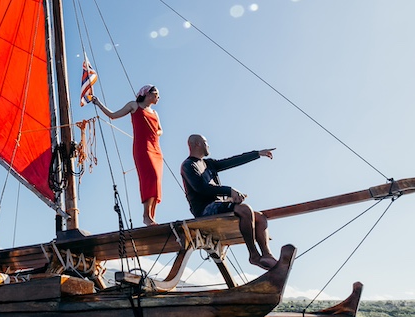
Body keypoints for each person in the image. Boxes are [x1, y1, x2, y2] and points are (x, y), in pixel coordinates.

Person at [180, 134, 277, 269]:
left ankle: (267, 256)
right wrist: (229, 191)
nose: (208, 145)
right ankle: (254, 255)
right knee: (245, 209)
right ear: (197, 144)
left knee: (260, 217)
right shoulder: (188, 165)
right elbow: (201, 188)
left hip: (218, 206)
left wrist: (257, 154)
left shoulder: (208, 164)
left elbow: (232, 161)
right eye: (205, 142)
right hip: (204, 210)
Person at [92, 84, 164, 225]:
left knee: (156, 181)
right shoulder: (134, 106)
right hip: (143, 148)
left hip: (156, 149)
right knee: (150, 177)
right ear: (148, 94)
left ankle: (151, 217)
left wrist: (156, 132)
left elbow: (160, 130)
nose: (158, 97)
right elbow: (113, 115)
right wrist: (98, 103)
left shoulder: (155, 113)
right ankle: (146, 215)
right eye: (156, 94)